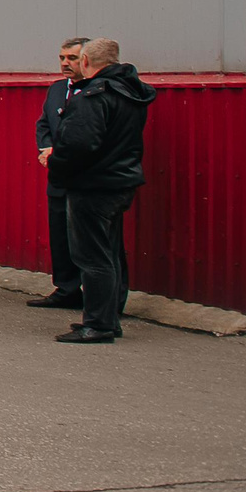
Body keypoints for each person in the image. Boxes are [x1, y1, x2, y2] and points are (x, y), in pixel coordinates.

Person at [46, 38, 157, 344]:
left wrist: (55, 163)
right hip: (121, 181)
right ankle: (109, 318)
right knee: (109, 252)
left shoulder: (92, 96)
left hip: (92, 185)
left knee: (92, 257)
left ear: (85, 62)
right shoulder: (130, 92)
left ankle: (98, 324)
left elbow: (79, 144)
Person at [28, 37, 92, 312]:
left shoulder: (96, 91)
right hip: (58, 175)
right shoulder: (56, 89)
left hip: (86, 177)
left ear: (86, 60)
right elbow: (44, 124)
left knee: (91, 240)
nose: (65, 63)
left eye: (72, 58)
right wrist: (46, 148)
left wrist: (59, 151)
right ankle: (67, 290)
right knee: (60, 234)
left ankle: (104, 300)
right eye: (62, 58)